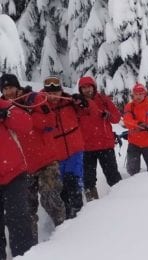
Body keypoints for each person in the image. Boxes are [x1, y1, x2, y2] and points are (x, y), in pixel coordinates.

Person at [0, 74, 66, 239]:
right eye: (5, 89)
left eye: (11, 87)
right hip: (23, 166)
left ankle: (65, 232)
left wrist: (26, 115)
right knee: (27, 209)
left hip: (46, 159)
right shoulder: (3, 107)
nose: (8, 92)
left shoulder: (33, 99)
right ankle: (31, 247)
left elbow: (50, 122)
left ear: (18, 86)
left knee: (50, 198)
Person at [42, 76, 97, 219]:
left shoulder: (70, 102)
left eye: (57, 92)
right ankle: (65, 217)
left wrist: (83, 102)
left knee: (74, 181)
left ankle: (78, 214)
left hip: (74, 149)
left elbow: (89, 111)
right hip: (55, 153)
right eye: (50, 93)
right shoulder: (41, 105)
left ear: (61, 91)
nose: (54, 96)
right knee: (61, 187)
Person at [0, 97, 36, 259]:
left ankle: (25, 256)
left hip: (13, 173)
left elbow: (27, 124)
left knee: (19, 220)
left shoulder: (5, 106)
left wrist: (6, 115)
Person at [78, 76, 122, 201]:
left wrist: (108, 115)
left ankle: (121, 199)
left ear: (94, 87)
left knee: (113, 176)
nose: (87, 90)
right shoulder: (77, 103)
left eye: (89, 86)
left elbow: (117, 118)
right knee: (88, 179)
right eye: (84, 88)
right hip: (86, 147)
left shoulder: (103, 100)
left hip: (105, 145)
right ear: (80, 90)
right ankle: (93, 205)